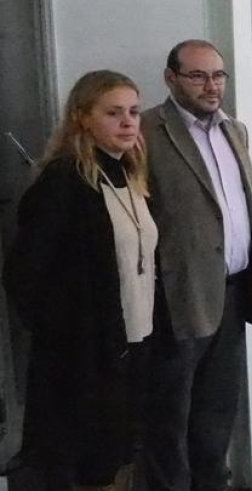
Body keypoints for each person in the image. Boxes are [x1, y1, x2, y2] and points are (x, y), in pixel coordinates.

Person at [4, 70, 157, 491]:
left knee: (122, 452)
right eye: (113, 113)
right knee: (90, 458)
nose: (127, 122)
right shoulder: (64, 180)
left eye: (134, 112)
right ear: (82, 117)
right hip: (87, 353)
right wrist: (71, 334)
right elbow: (24, 274)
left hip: (136, 340)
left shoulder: (130, 174)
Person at [142, 40, 252, 491]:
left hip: (232, 290)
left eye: (218, 75)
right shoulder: (146, 130)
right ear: (170, 78)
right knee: (170, 416)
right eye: (198, 76)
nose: (211, 86)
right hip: (178, 296)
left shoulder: (236, 131)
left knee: (217, 411)